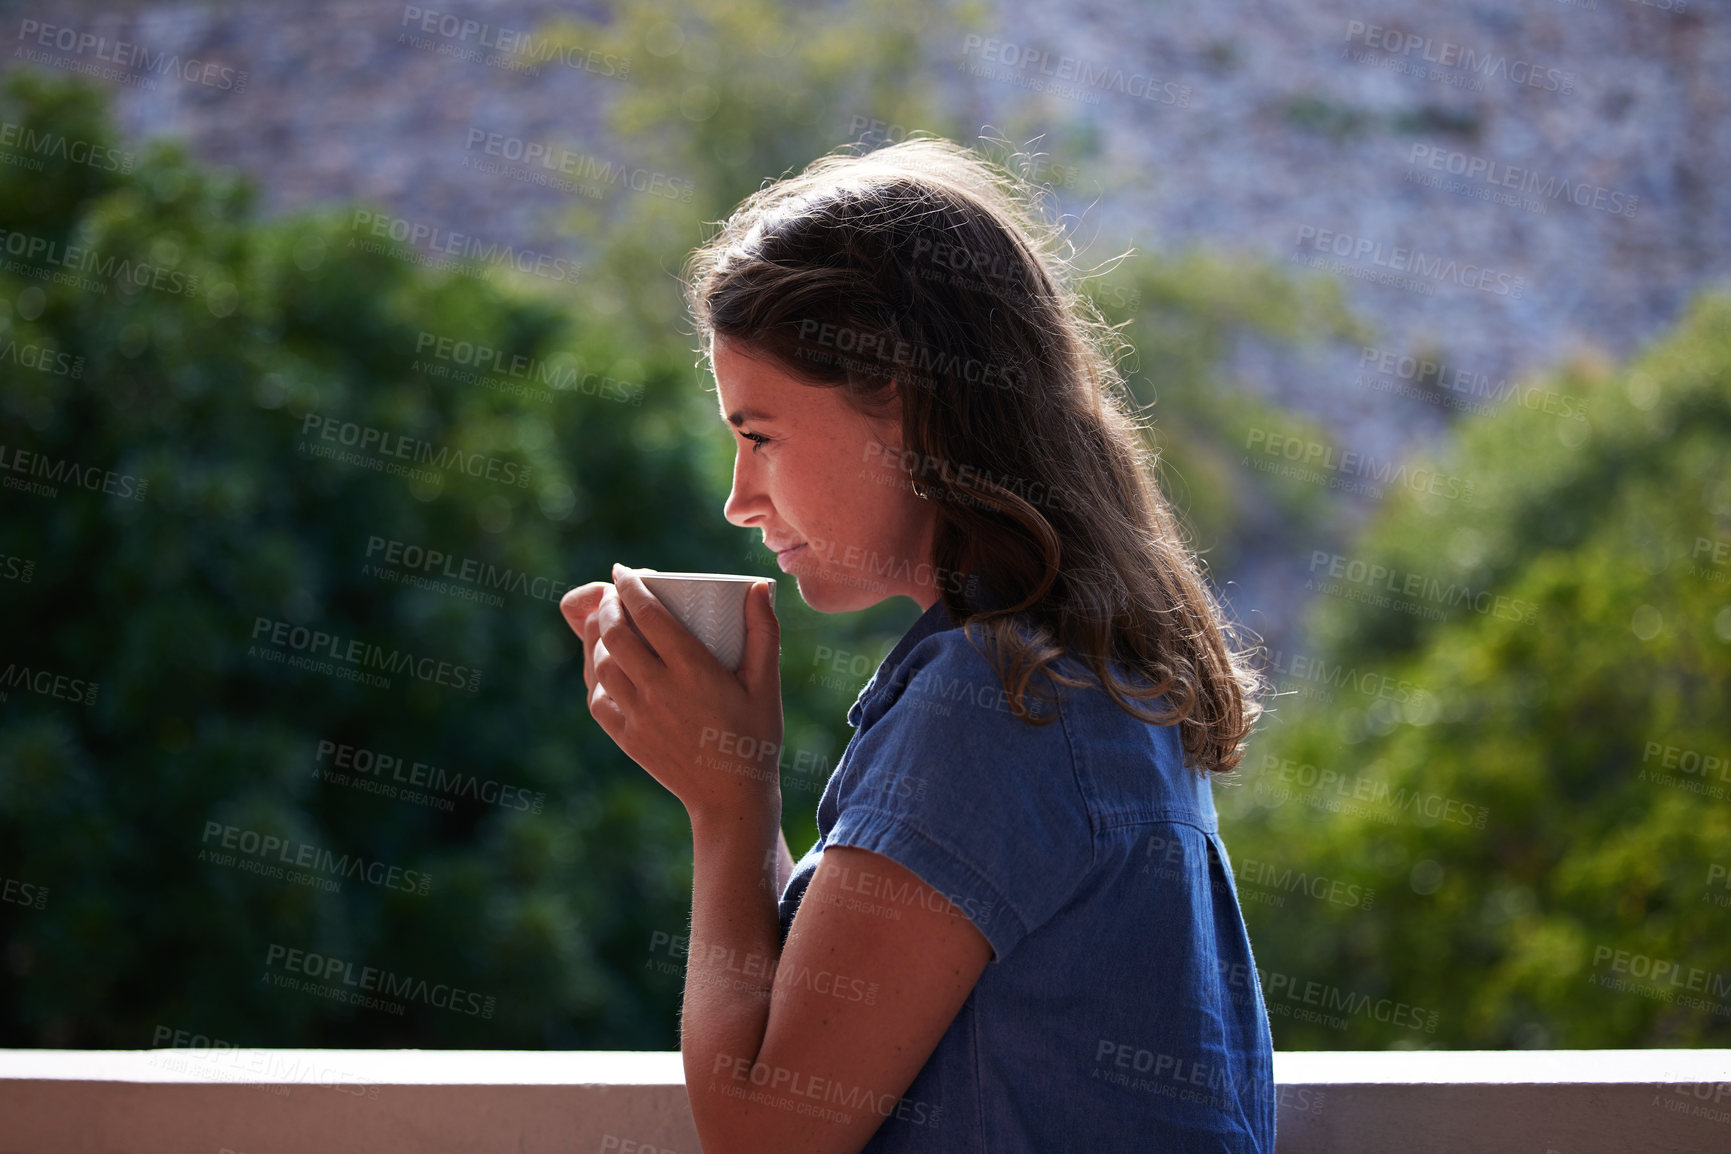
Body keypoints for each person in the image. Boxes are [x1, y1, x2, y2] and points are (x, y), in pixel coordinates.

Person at [560, 134, 1275, 1153]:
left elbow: (768, 1137)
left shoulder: (995, 704)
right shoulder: (1068, 665)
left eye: (757, 434)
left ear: (902, 401)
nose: (737, 496)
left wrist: (729, 802)